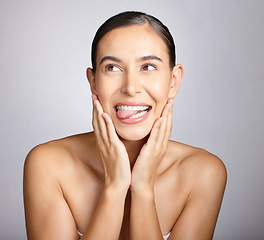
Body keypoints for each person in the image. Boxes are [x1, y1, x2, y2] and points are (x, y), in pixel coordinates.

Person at [23, 11, 227, 240]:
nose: (131, 87)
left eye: (148, 67)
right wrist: (115, 187)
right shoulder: (49, 164)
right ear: (93, 82)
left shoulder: (203, 173)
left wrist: (143, 189)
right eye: (112, 68)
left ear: (173, 81)